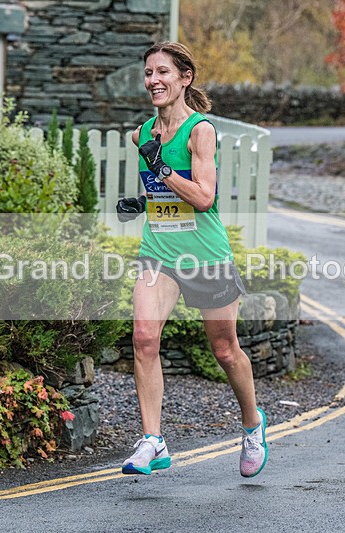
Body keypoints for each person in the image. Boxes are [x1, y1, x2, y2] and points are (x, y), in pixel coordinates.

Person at [115, 41, 268, 477]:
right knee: (144, 338)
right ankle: (152, 439)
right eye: (148, 73)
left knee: (225, 350)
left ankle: (252, 424)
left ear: (185, 78)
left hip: (205, 255)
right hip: (159, 253)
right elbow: (161, 190)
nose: (153, 80)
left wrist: (162, 169)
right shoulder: (142, 134)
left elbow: (203, 197)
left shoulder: (201, 131)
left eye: (162, 72)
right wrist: (143, 201)